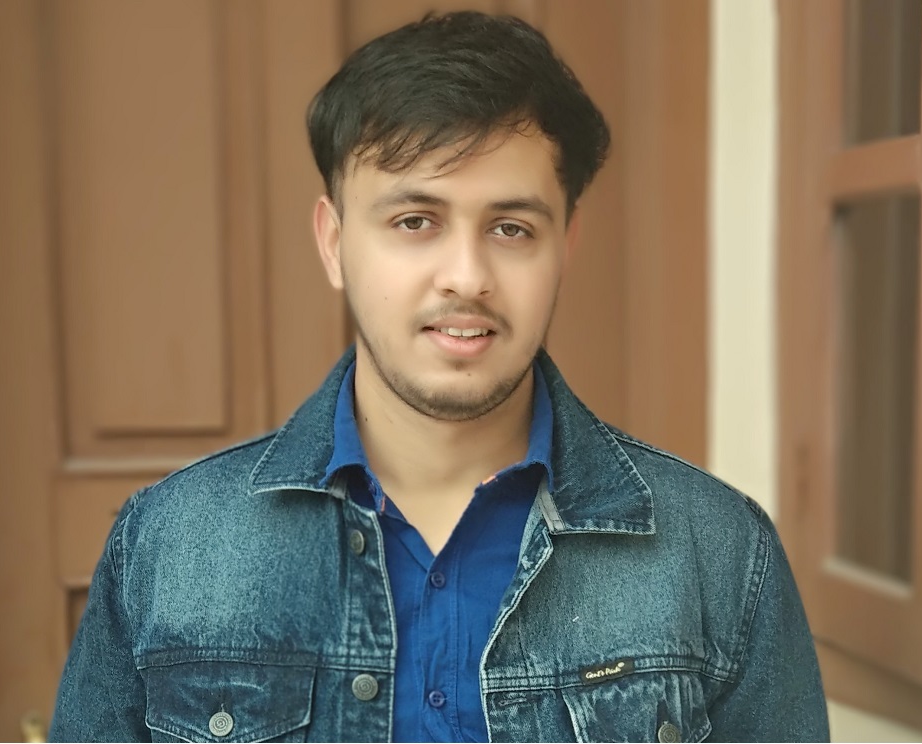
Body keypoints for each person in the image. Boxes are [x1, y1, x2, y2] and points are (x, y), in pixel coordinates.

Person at [49, 11, 828, 743]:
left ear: (565, 245)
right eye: (414, 221)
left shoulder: (719, 552)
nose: (466, 276)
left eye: (511, 228)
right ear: (333, 242)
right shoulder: (169, 543)